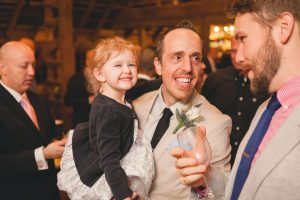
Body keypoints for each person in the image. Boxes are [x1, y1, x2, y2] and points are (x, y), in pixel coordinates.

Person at [133, 20, 232, 199]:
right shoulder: (137, 106)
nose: (188, 68)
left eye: (195, 58)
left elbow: (225, 192)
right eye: (177, 57)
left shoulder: (216, 121)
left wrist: (206, 178)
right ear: (158, 65)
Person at [57, 37, 154, 200]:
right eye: (118, 65)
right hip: (110, 177)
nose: (127, 70)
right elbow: (108, 158)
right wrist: (123, 194)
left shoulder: (115, 99)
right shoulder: (109, 110)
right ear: (100, 74)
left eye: (131, 64)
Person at [225, 0, 300, 199]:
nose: (238, 58)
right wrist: (203, 181)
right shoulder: (266, 109)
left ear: (283, 27)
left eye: (243, 38)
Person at [0, 41, 66, 199]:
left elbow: (51, 135)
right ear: (2, 68)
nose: (31, 72)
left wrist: (65, 140)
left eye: (33, 65)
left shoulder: (38, 100)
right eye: (24, 66)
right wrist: (41, 155)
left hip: (48, 190)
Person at [202, 38, 268, 166]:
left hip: (253, 160)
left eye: (242, 50)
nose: (237, 56)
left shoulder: (264, 82)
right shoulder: (215, 80)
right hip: (217, 157)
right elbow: (203, 115)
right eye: (233, 51)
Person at [64, 49, 95, 128]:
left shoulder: (106, 76)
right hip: (82, 121)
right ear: (87, 62)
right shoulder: (75, 79)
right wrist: (88, 100)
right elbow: (67, 100)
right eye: (93, 59)